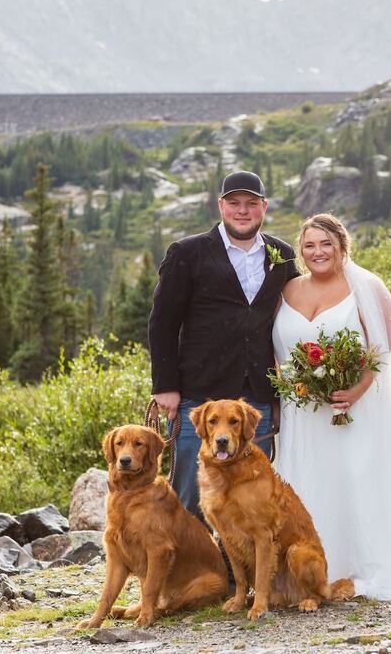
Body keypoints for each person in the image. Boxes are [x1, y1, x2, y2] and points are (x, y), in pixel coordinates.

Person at [272, 213, 391, 600]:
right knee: (305, 485)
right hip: (301, 414)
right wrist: (293, 385)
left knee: (353, 480)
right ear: (300, 251)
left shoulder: (368, 286)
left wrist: (353, 390)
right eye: (309, 245)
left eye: (325, 244)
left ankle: (359, 570)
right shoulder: (286, 291)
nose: (317, 252)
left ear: (341, 246)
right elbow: (275, 350)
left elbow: (381, 350)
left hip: (352, 410)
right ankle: (310, 574)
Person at [148, 171, 300, 520]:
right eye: (234, 203)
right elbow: (163, 322)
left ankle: (235, 575)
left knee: (249, 498)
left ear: (264, 206)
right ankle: (185, 572)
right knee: (191, 492)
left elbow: (290, 321)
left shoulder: (283, 254)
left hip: (255, 402)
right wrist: (165, 387)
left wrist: (281, 395)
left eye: (251, 204)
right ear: (221, 206)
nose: (242, 211)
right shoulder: (187, 252)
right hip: (198, 398)